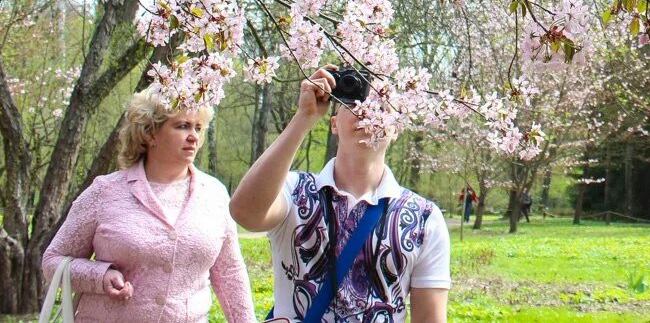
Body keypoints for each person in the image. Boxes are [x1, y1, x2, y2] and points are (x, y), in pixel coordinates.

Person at [230, 67, 450, 323]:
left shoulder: (424, 218)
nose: (366, 111)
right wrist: (304, 117)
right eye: (353, 103)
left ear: (396, 127)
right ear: (334, 123)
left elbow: (430, 318)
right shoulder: (295, 191)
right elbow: (245, 212)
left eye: (380, 103)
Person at [42, 87, 255, 322]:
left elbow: (230, 273)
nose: (194, 136)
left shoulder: (215, 194)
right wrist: (100, 276)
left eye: (198, 128)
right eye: (182, 126)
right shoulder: (105, 192)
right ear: (150, 133)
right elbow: (53, 261)